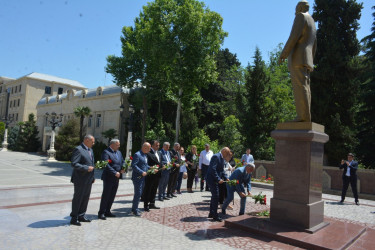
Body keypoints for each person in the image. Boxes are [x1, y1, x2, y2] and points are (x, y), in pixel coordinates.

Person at [279, 0, 317, 122]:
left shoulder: (301, 17)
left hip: (298, 57)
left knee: (300, 87)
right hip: (307, 58)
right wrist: (311, 59)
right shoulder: (312, 21)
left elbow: (293, 37)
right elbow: (314, 43)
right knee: (306, 87)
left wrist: (283, 54)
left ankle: (302, 117)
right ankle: (306, 116)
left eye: (296, 7)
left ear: (300, 7)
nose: (295, 10)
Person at [70, 134, 95, 226]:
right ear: (87, 140)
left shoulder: (90, 150)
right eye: (92, 141)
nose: (94, 143)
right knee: (78, 198)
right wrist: (86, 168)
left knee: (85, 198)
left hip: (88, 179)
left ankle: (81, 215)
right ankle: (74, 217)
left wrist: (93, 177)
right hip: (80, 179)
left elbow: (92, 163)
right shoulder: (79, 149)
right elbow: (74, 163)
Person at [98, 139, 125, 220]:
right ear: (112, 144)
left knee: (112, 195)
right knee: (106, 195)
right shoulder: (106, 152)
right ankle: (101, 213)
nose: (119, 146)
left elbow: (122, 161)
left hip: (117, 177)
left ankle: (108, 211)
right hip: (109, 177)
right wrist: (114, 172)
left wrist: (123, 168)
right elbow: (105, 165)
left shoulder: (119, 152)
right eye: (117, 145)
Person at [206, 147, 232, 222]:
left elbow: (221, 170)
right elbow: (212, 169)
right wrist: (218, 179)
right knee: (216, 196)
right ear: (223, 151)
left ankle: (211, 213)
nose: (227, 155)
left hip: (215, 179)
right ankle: (215, 215)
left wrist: (226, 177)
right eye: (227, 153)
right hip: (211, 179)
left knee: (214, 196)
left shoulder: (222, 158)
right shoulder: (216, 156)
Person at [131, 142, 151, 216]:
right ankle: (135, 210)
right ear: (144, 147)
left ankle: (134, 208)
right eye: (148, 148)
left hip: (143, 177)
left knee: (139, 193)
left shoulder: (145, 155)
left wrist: (151, 167)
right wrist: (141, 172)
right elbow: (133, 165)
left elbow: (144, 165)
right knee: (138, 193)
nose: (149, 150)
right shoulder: (137, 154)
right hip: (137, 177)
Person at [143, 140, 162, 211]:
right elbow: (146, 164)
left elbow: (160, 162)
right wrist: (152, 168)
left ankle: (152, 203)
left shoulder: (159, 153)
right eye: (156, 145)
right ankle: (146, 205)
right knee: (148, 190)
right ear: (152, 146)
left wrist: (163, 166)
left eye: (158, 145)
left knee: (154, 189)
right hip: (151, 174)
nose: (158, 147)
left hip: (158, 174)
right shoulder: (148, 153)